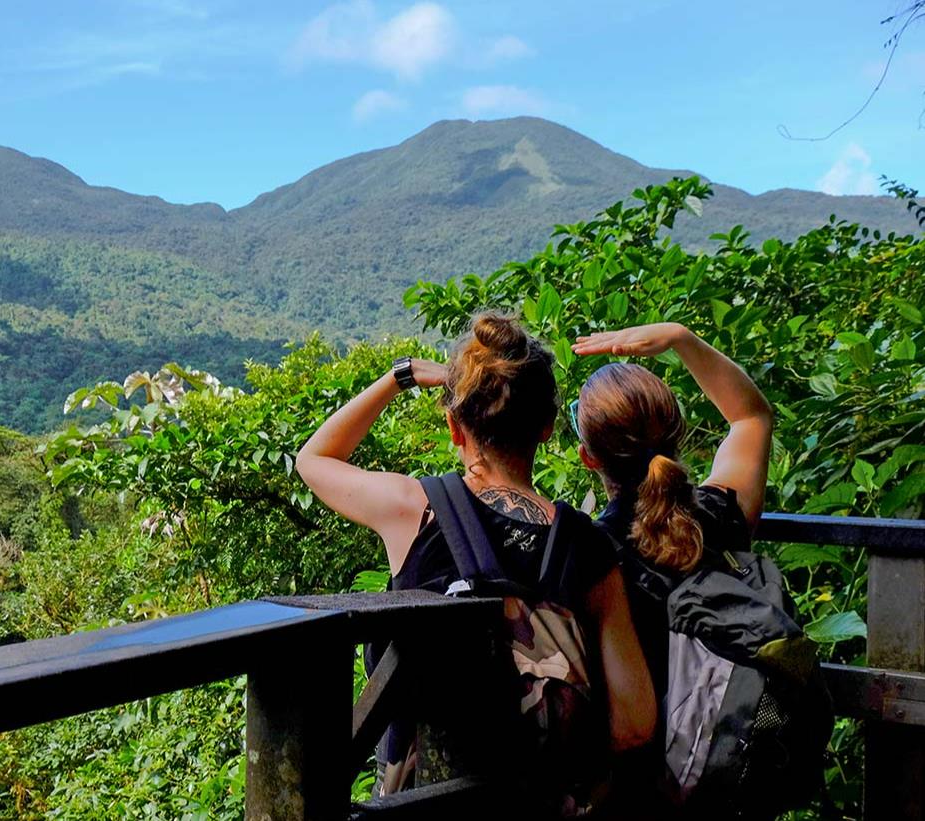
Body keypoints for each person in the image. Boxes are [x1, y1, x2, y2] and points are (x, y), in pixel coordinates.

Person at [295, 311, 655, 802]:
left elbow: (313, 460)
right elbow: (635, 723)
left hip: (425, 804)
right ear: (548, 428)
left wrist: (398, 377)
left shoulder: (413, 511)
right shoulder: (589, 545)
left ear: (454, 427)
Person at [570, 321, 774, 814]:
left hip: (642, 791)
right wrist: (683, 339)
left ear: (588, 459)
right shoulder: (721, 515)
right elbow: (751, 416)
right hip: (730, 765)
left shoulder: (591, 552)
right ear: (675, 434)